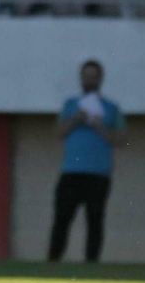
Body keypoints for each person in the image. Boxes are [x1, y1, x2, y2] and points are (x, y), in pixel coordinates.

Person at [48, 60, 125, 262]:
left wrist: (100, 127)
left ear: (100, 79)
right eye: (86, 76)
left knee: (95, 220)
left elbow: (121, 140)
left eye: (93, 77)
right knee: (62, 218)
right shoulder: (71, 105)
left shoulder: (111, 108)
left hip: (98, 174)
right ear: (81, 79)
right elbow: (58, 132)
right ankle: (53, 262)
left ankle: (91, 265)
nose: (89, 81)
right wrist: (76, 119)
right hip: (71, 172)